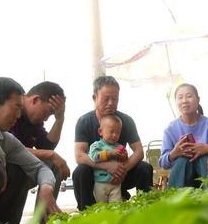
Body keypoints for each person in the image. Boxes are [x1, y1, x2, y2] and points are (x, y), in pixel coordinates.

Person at [0, 77, 61, 224]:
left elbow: (40, 168)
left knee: (18, 169)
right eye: (16, 107)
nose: (19, 114)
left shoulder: (6, 138)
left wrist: (46, 187)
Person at [72, 76, 153, 210]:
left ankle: (146, 209)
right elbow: (79, 155)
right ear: (94, 97)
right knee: (80, 171)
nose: (111, 103)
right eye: (106, 98)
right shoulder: (84, 121)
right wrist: (106, 166)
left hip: (121, 175)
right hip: (96, 177)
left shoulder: (126, 121)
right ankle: (86, 212)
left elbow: (139, 152)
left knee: (145, 168)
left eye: (115, 99)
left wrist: (123, 169)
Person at [9, 81, 70, 198]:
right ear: (35, 100)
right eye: (47, 112)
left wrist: (60, 119)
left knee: (54, 164)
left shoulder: (34, 121)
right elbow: (9, 148)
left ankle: (45, 215)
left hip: (22, 165)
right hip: (6, 164)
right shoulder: (13, 112)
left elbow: (46, 147)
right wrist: (51, 155)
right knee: (17, 170)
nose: (46, 119)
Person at [159, 84, 208, 188]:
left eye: (189, 96)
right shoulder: (170, 129)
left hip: (206, 171)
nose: (184, 100)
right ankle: (180, 201)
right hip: (182, 177)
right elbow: (163, 163)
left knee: (205, 158)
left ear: (198, 99)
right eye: (180, 97)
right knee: (182, 160)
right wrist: (174, 153)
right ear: (176, 102)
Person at [89, 115, 128, 203]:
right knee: (101, 206)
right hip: (100, 183)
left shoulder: (119, 147)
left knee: (116, 206)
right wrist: (108, 153)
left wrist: (123, 157)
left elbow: (125, 160)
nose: (114, 135)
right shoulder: (97, 145)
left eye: (118, 132)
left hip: (115, 183)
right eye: (111, 132)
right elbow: (94, 157)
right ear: (100, 131)